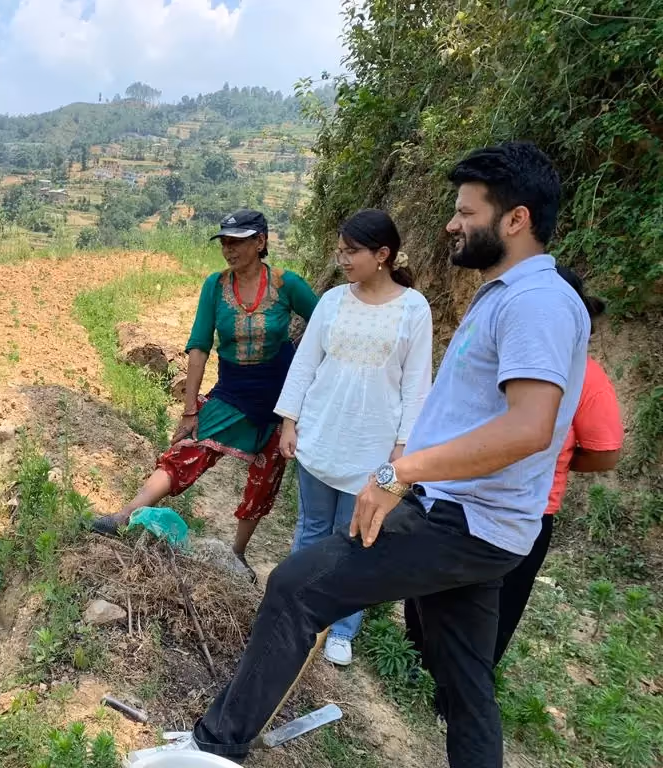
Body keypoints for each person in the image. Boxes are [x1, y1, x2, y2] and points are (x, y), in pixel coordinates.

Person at [156, 141, 590, 768]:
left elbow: (529, 428)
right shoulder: (506, 294)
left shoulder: (536, 303)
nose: (452, 224)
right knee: (465, 685)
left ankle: (214, 747)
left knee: (296, 585)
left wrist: (399, 471)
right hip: (480, 520)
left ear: (515, 219)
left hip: (464, 521)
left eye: (467, 212)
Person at [405, 265, 623, 671]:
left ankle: (456, 693)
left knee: (494, 609)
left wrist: (555, 459)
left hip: (523, 510)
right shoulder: (499, 349)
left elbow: (604, 451)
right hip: (457, 497)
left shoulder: (587, 379)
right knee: (426, 589)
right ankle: (413, 662)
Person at [92, 210, 318, 572]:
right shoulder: (215, 286)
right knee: (188, 449)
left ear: (260, 242)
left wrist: (312, 378)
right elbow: (199, 346)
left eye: (238, 242)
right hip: (233, 390)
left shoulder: (286, 284)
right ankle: (124, 515)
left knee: (265, 479)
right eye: (225, 243)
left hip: (282, 398)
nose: (229, 250)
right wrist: (189, 408)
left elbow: (324, 324)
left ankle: (238, 552)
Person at [275, 208, 432, 666]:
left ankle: (341, 627)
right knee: (311, 528)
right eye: (339, 250)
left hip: (372, 448)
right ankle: (295, 608)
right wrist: (290, 420)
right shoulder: (332, 301)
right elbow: (305, 363)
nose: (341, 259)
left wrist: (402, 455)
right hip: (321, 434)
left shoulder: (413, 309)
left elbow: (415, 387)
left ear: (382, 255)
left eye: (351, 251)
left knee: (359, 538)